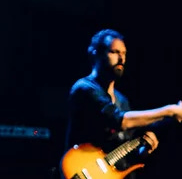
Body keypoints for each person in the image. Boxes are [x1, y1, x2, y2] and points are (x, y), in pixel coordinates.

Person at [64, 29, 182, 176]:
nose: (121, 58)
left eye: (124, 53)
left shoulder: (122, 100)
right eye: (114, 52)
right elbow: (119, 120)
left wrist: (143, 150)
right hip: (82, 172)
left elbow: (125, 146)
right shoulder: (85, 89)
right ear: (96, 54)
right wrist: (170, 110)